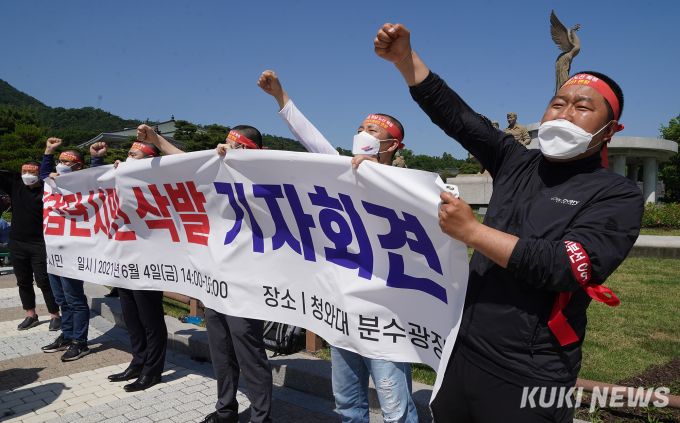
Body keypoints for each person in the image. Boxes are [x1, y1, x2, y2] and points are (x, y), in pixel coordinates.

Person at [374, 23, 643, 422]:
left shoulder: (617, 194)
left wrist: (473, 233)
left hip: (533, 372)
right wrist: (404, 60)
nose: (565, 114)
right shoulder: (517, 160)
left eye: (582, 107)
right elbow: (460, 118)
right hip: (463, 351)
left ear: (609, 132)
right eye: (558, 103)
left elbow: (566, 266)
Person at [257, 70, 418, 423]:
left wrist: (379, 178)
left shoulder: (410, 185)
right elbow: (312, 140)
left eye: (372, 130)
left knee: (395, 410)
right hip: (342, 311)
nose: (362, 133)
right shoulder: (341, 174)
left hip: (385, 318)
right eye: (361, 127)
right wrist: (281, 97)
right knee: (347, 404)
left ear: (391, 145)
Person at [137, 124, 273, 423]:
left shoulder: (265, 180)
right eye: (226, 143)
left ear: (257, 152)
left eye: (238, 146)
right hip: (214, 284)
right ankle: (225, 411)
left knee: (250, 354)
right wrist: (156, 140)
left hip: (245, 285)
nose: (228, 149)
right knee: (221, 354)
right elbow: (184, 159)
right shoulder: (214, 176)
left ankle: (262, 418)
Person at [105, 140, 168, 392]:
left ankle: (153, 371)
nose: (128, 156)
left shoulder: (159, 183)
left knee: (151, 319)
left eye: (135, 153)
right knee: (131, 317)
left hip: (148, 261)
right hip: (125, 259)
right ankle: (138, 361)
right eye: (128, 153)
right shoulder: (122, 177)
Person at [40, 139, 107, 361]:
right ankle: (67, 336)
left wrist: (96, 158)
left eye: (66, 161)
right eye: (59, 161)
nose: (60, 164)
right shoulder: (51, 183)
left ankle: (81, 342)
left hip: (73, 252)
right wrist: (49, 151)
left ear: (79, 166)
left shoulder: (82, 186)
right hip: (54, 250)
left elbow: (95, 179)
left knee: (75, 299)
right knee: (62, 299)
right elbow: (42, 174)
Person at [0, 161, 61, 330]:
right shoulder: (15, 188)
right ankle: (31, 314)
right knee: (23, 281)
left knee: (44, 281)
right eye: (24, 171)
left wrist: (55, 177)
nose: (26, 174)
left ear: (39, 174)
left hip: (39, 243)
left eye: (31, 172)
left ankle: (55, 315)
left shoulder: (48, 191)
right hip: (17, 243)